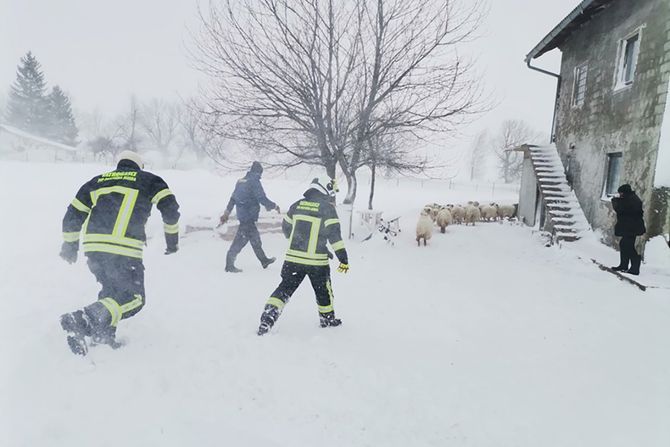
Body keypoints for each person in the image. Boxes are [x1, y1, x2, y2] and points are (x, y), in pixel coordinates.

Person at [59, 151, 180, 355]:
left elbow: (73, 213)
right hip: (123, 250)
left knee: (112, 292)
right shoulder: (149, 180)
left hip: (94, 249)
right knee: (134, 298)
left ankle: (102, 336)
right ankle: (83, 318)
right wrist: (172, 242)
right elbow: (170, 210)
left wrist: (70, 245)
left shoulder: (97, 182)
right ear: (139, 166)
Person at [256, 176, 349, 336]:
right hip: (316, 264)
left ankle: (267, 319)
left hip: (293, 260)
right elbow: (334, 235)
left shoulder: (296, 205)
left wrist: (302, 243)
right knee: (323, 292)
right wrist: (343, 258)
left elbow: (286, 228)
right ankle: (327, 319)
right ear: (325, 188)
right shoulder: (326, 208)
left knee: (284, 289)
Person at [220, 161, 280, 273]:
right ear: (258, 172)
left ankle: (264, 260)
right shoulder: (254, 181)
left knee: (255, 240)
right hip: (248, 217)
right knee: (239, 242)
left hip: (243, 216)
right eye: (260, 174)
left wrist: (227, 213)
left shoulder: (240, 181)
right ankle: (229, 265)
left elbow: (233, 199)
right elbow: (262, 198)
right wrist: (274, 206)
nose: (260, 176)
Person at [611, 183, 646, 275]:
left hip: (632, 227)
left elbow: (621, 210)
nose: (620, 195)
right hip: (631, 227)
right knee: (624, 244)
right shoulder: (631, 198)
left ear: (624, 192)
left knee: (628, 245)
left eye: (621, 193)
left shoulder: (632, 200)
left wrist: (615, 201)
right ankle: (624, 265)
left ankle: (635, 267)